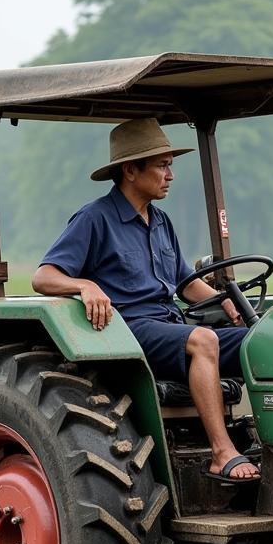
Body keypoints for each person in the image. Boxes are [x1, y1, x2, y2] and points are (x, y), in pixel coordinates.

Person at [32, 118, 258, 482]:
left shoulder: (161, 221)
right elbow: (44, 277)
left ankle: (272, 446)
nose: (170, 175)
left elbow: (185, 284)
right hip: (130, 331)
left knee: (262, 341)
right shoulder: (95, 219)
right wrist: (84, 285)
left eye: (171, 165)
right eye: (162, 165)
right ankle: (222, 452)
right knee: (203, 339)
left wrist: (225, 300)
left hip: (168, 326)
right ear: (131, 170)